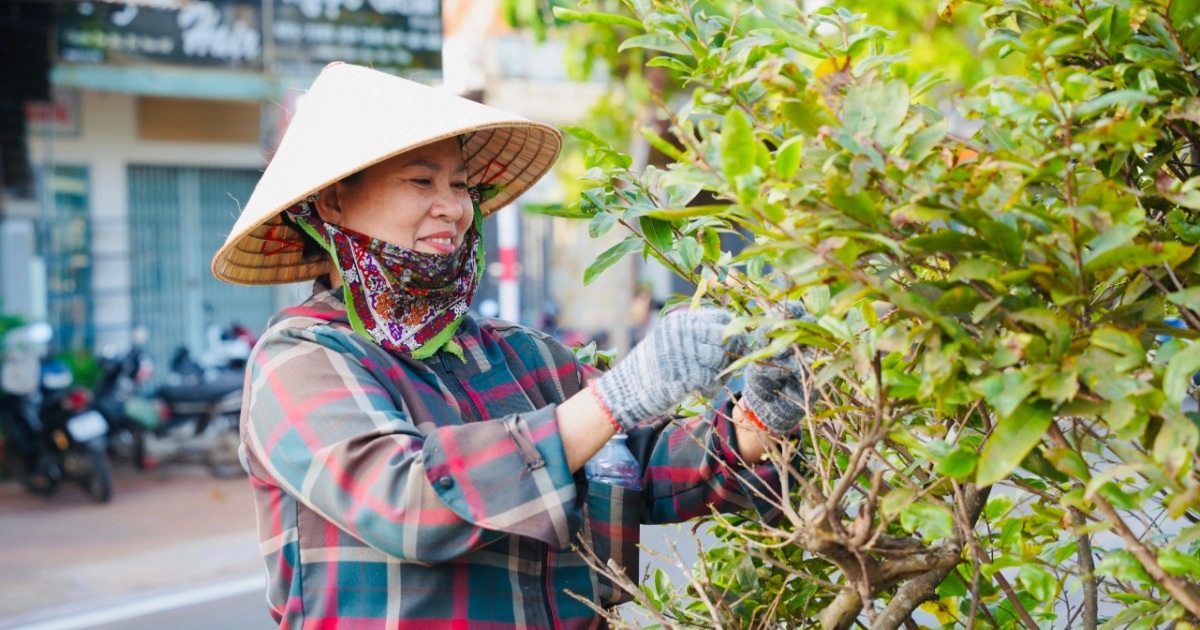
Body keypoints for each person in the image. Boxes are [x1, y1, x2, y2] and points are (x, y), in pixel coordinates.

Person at [211, 62, 809, 629]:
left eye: (461, 185)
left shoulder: (527, 357)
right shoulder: (299, 358)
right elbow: (408, 503)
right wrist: (616, 397)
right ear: (335, 200)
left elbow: (650, 463)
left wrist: (760, 421)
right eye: (421, 181)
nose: (454, 209)